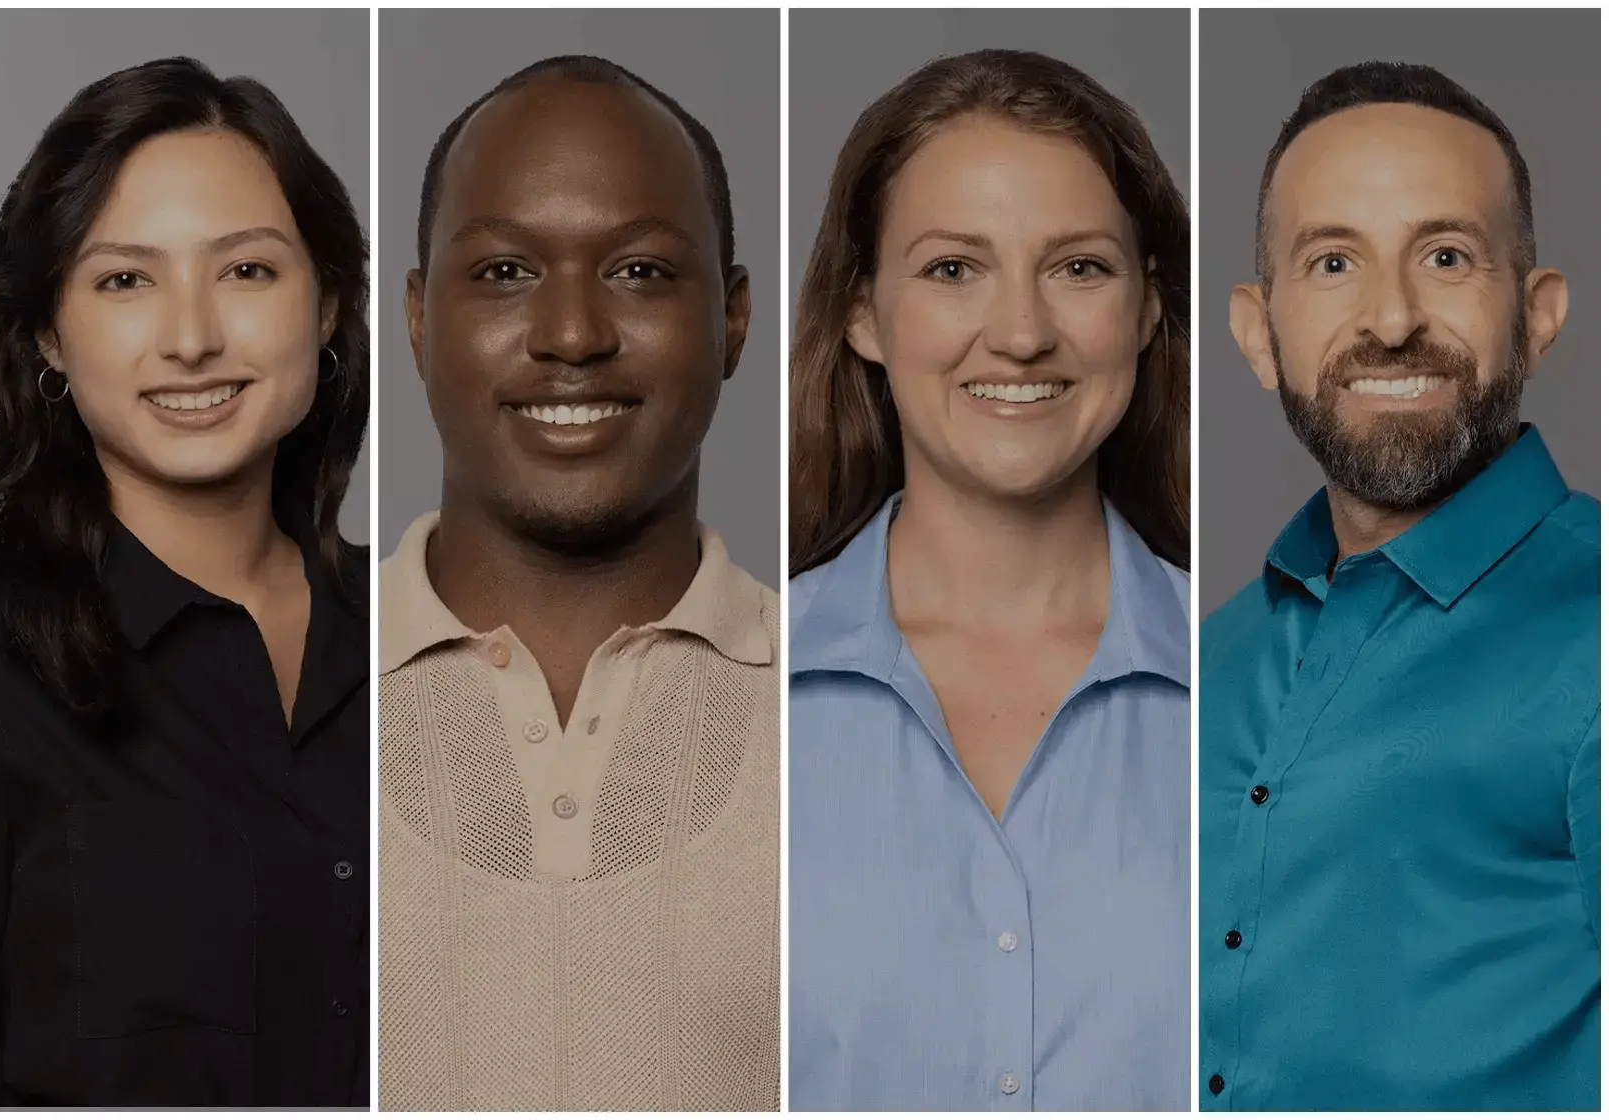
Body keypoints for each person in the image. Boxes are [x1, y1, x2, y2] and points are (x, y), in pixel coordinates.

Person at [785, 49, 1192, 1111]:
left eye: (1080, 267)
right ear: (863, 313)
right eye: (954, 268)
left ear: (1149, 309)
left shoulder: (1255, 685)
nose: (1019, 333)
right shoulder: (736, 693)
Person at [0, 57, 369, 1107]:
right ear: (49, 329)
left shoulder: (430, 632)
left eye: (246, 271)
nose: (191, 339)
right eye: (125, 280)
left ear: (329, 307)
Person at [376, 56, 773, 1111]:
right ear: (416, 318)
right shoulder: (273, 686)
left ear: (734, 320)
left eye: (641, 272)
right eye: (504, 272)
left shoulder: (852, 705)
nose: (570, 336)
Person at [1200, 61, 1597, 1111]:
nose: (1389, 319)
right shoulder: (1214, 655)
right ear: (1256, 331)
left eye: (1447, 255)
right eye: (1333, 261)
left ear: (1540, 313)